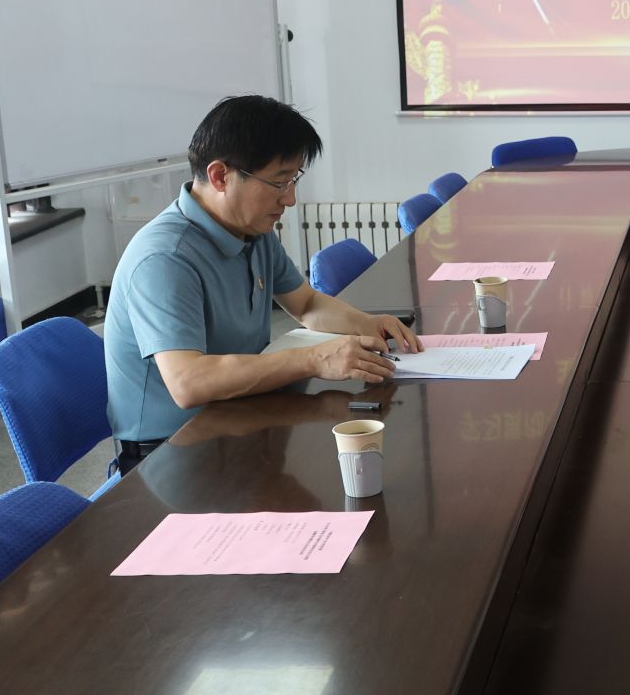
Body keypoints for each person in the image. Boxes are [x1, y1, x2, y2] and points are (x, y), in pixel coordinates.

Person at [103, 95, 421, 475]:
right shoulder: (165, 258)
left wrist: (368, 324)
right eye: (279, 182)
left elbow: (306, 304)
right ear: (220, 176)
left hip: (241, 413)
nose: (290, 199)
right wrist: (315, 359)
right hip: (171, 453)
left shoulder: (251, 230)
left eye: (294, 179)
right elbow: (189, 382)